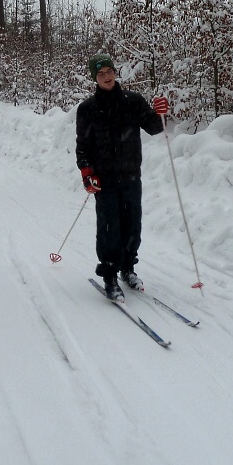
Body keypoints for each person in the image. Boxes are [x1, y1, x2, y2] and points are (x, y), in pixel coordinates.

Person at [75, 53, 169, 300]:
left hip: (130, 176)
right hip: (104, 180)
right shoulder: (87, 109)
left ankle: (128, 268)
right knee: (109, 228)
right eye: (100, 74)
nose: (106, 77)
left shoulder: (133, 101)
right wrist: (87, 173)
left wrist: (160, 113)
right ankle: (109, 276)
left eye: (109, 71)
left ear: (115, 72)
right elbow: (82, 145)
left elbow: (154, 127)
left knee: (132, 225)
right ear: (95, 78)